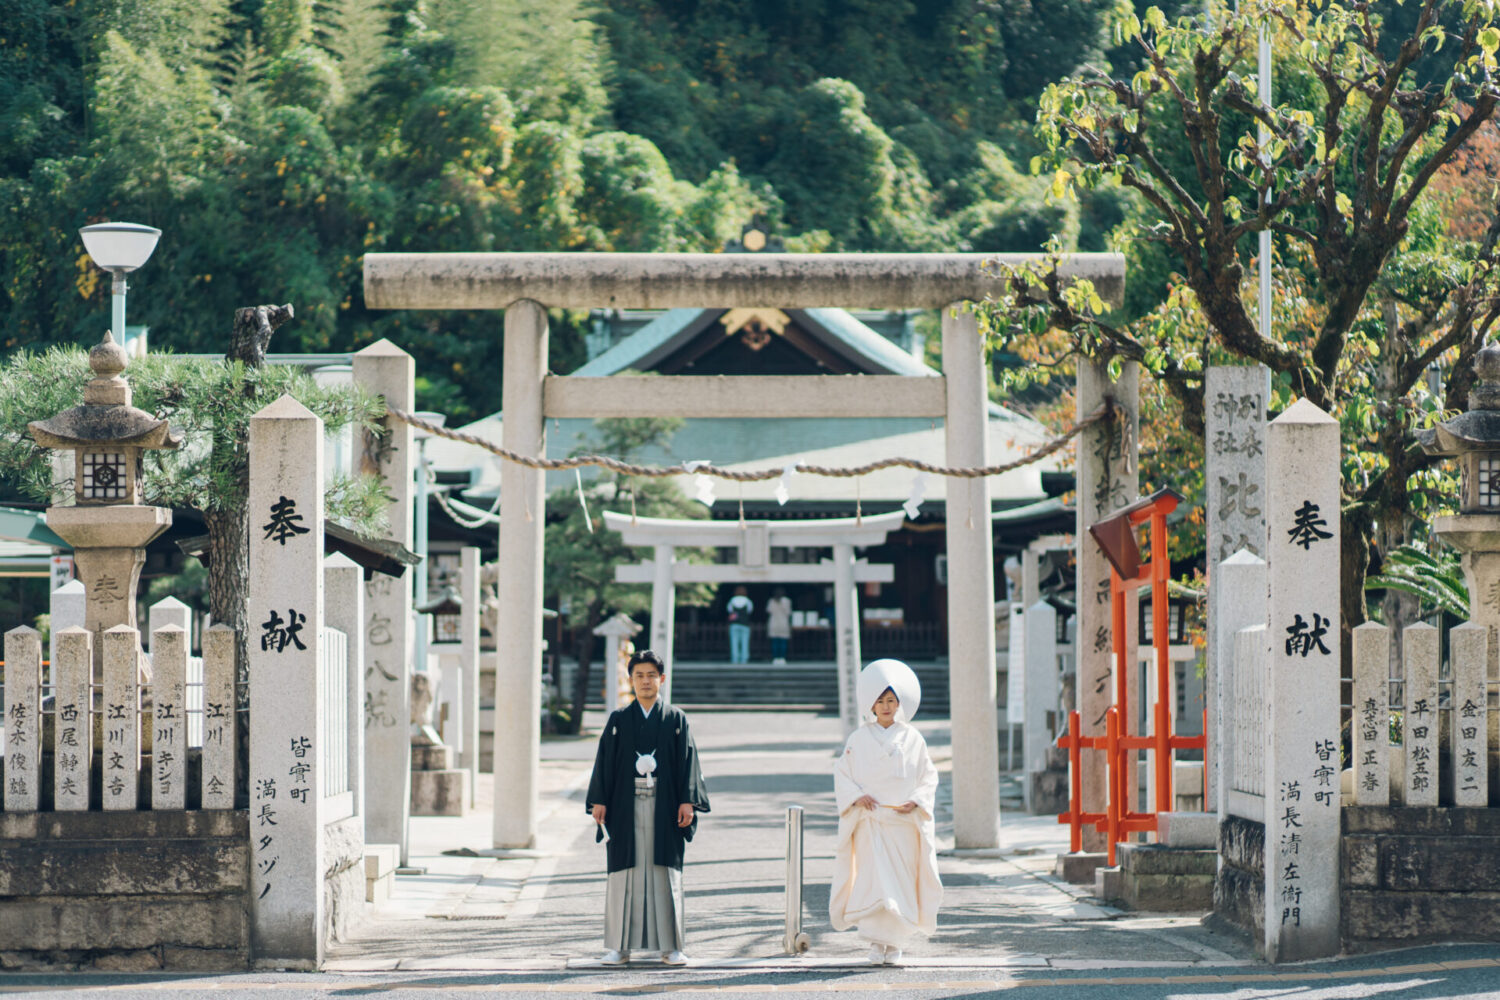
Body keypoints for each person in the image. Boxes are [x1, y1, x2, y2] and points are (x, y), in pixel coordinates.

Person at [587, 650, 711, 966]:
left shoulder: (676, 719)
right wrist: (599, 800)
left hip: (666, 805)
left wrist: (688, 801)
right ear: (631, 679)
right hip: (623, 806)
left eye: (651, 675)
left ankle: (671, 946)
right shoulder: (618, 720)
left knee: (664, 872)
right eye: (639, 675)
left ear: (662, 679)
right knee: (623, 874)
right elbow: (604, 763)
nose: (645, 681)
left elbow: (688, 762)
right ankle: (618, 946)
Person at [829, 658, 942, 965]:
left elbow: (928, 775)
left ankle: (895, 944)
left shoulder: (913, 738)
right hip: (871, 822)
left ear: (899, 703)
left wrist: (917, 800)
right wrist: (856, 796)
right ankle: (876, 944)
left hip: (902, 822)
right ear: (872, 705)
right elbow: (843, 773)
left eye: (892, 700)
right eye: (881, 701)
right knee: (872, 880)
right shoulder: (858, 738)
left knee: (901, 881)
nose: (887, 706)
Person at [726, 586, 753, 664]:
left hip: (734, 624)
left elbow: (729, 610)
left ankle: (735, 659)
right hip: (745, 624)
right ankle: (744, 659)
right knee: (745, 642)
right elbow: (749, 611)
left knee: (734, 642)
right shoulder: (748, 601)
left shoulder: (732, 601)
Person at [766, 588, 793, 664]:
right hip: (783, 623)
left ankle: (775, 658)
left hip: (774, 623)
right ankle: (782, 658)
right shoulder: (787, 601)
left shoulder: (771, 601)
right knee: (783, 642)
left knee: (775, 642)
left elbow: (769, 611)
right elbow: (788, 612)